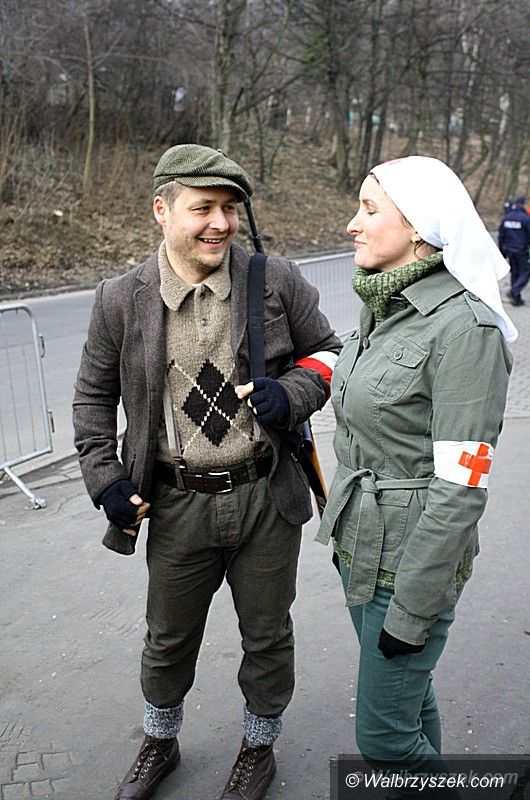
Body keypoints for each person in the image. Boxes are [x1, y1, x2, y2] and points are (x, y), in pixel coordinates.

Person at [73, 143, 341, 800]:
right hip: (176, 503)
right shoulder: (120, 299)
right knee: (167, 639)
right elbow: (91, 398)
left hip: (264, 495)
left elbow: (328, 352)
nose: (220, 223)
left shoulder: (274, 280)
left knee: (268, 636)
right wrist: (106, 480)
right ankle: (159, 741)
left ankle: (258, 748)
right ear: (161, 210)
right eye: (203, 208)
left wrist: (292, 393)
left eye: (229, 208)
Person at [316, 156, 516, 797]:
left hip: (409, 565)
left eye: (370, 209)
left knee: (384, 739)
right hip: (360, 545)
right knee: (408, 701)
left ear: (421, 230)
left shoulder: (465, 330)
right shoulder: (384, 306)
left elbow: (463, 485)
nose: (353, 224)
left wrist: (413, 606)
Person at [498, 195, 530, 306]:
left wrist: (502, 252)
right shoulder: (525, 218)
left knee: (515, 272)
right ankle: (514, 291)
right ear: (524, 204)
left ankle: (516, 299)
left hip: (509, 250)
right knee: (526, 272)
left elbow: (501, 236)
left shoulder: (506, 217)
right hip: (521, 250)